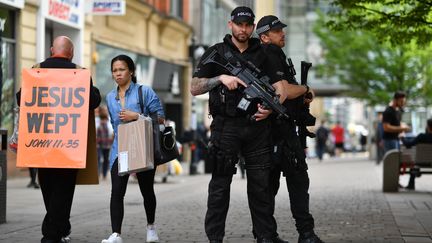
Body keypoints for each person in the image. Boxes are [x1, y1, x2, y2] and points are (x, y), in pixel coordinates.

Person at [191, 7, 288, 243]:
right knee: (220, 186)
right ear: (230, 24)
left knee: (260, 186)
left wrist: (269, 108)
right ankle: (215, 238)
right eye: (239, 24)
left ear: (253, 27)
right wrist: (220, 78)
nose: (243, 29)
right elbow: (194, 87)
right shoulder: (217, 51)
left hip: (257, 128)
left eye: (247, 25)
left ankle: (265, 236)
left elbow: (279, 89)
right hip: (226, 128)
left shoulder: (264, 53)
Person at [16, 36, 102, 243]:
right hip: (69, 145)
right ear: (71, 53)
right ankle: (51, 235)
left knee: (48, 188)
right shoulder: (79, 73)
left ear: (51, 49)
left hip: (41, 143)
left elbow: (21, 99)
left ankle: (60, 227)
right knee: (64, 190)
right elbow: (93, 101)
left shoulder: (36, 70)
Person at [257, 15, 323, 243]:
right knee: (296, 181)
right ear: (264, 36)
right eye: (276, 31)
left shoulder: (271, 54)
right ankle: (304, 234)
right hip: (278, 132)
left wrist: (300, 97)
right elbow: (283, 91)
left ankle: (266, 235)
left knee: (271, 186)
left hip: (275, 132)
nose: (282, 33)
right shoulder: (270, 53)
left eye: (281, 30)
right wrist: (305, 89)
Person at [101, 54, 165, 243]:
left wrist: (136, 116)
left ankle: (151, 227)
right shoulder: (110, 97)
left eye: (121, 69)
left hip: (143, 148)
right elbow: (115, 124)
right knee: (117, 192)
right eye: (114, 70)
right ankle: (116, 234)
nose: (118, 74)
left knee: (147, 190)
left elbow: (160, 120)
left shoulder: (145, 92)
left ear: (131, 71)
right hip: (120, 150)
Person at [401, 118, 432, 189]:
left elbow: (408, 144)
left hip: (420, 162)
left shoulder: (421, 136)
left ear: (428, 126)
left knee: (413, 164)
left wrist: (402, 138)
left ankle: (411, 185)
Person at [97, 106, 113, 180]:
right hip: (98, 143)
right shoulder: (97, 120)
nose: (105, 112)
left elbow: (111, 131)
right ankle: (98, 173)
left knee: (106, 159)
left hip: (107, 143)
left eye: (106, 110)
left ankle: (104, 174)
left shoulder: (109, 120)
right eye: (104, 110)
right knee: (98, 158)